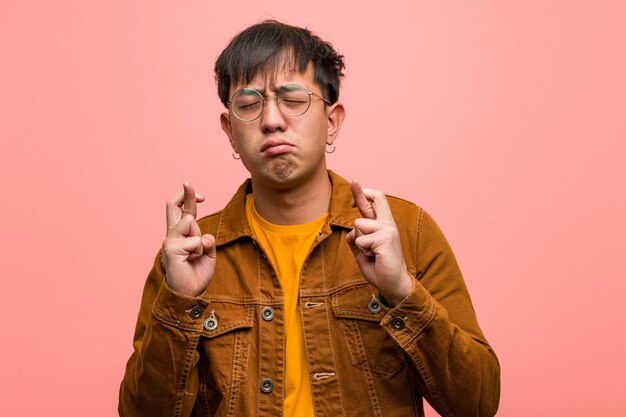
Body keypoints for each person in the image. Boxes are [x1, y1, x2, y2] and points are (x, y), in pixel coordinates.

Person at [119, 20, 500, 417]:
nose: (271, 120)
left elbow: (477, 404)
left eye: (292, 99)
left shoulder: (407, 231)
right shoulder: (190, 252)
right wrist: (179, 304)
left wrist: (401, 290)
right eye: (249, 104)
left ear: (332, 121)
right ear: (230, 132)